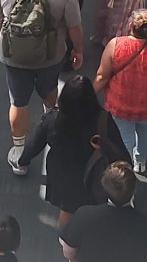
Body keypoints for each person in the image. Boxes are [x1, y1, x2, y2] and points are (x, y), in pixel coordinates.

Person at [0, 0, 83, 175]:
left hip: (14, 55)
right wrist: (78, 49)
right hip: (50, 54)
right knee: (50, 88)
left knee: (17, 100)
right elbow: (74, 26)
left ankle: (19, 150)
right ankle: (50, 124)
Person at [20, 75, 130, 228]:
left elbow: (34, 144)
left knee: (67, 211)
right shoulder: (103, 121)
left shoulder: (53, 120)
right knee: (94, 209)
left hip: (64, 176)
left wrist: (23, 160)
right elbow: (121, 153)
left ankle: (66, 241)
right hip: (94, 176)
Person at [94, 9, 147, 172]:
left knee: (124, 138)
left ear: (131, 26)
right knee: (146, 133)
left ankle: (124, 170)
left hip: (120, 107)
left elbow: (101, 76)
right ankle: (140, 161)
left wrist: (90, 95)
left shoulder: (116, 45)